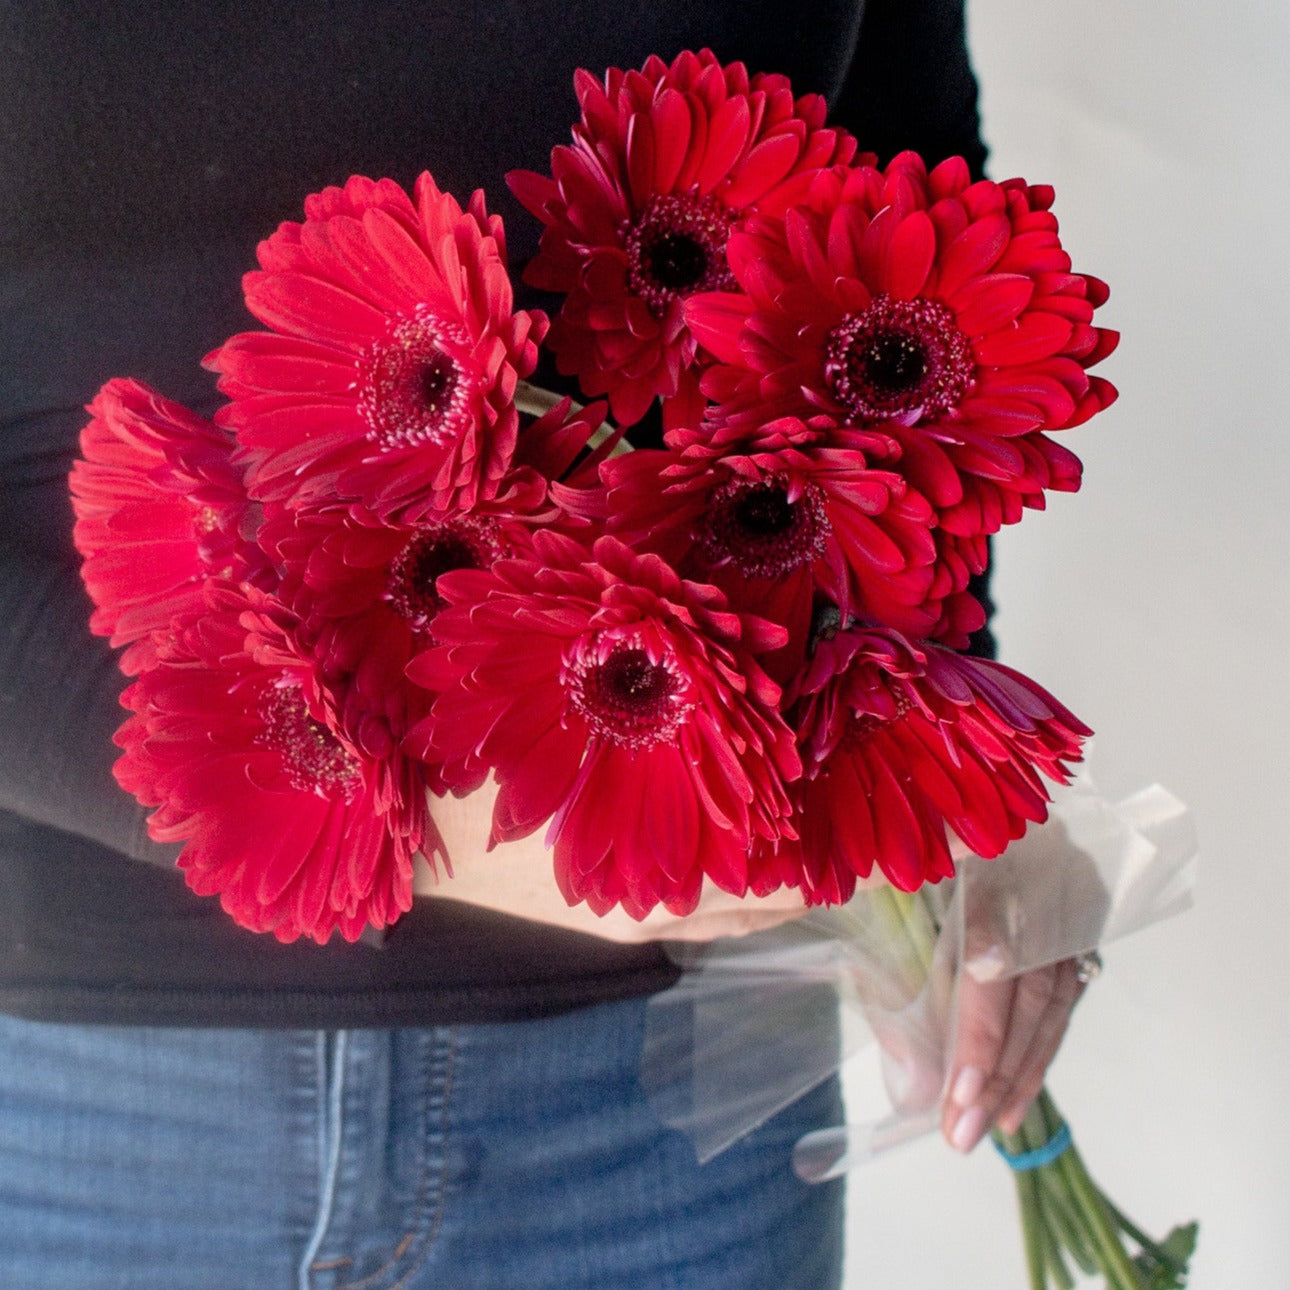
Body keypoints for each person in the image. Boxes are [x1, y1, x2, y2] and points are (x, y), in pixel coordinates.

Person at [0, 1, 1089, 1285]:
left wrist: (943, 756)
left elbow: (909, 276)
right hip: (80, 1106)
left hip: (677, 1107)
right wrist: (400, 823)